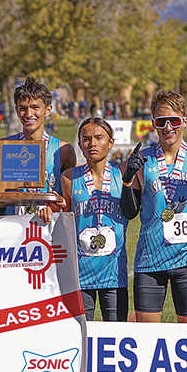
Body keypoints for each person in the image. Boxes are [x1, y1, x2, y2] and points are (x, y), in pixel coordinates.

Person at [120, 90, 187, 324]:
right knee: (147, 338)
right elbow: (129, 212)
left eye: (174, 121)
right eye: (161, 122)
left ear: (184, 122)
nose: (168, 128)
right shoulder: (143, 159)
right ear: (154, 124)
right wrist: (127, 180)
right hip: (150, 259)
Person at [61, 118, 129, 322]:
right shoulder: (68, 177)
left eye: (99, 138)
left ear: (110, 142)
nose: (92, 144)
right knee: (81, 332)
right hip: (81, 271)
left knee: (116, 331)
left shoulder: (123, 173)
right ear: (80, 145)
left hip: (114, 271)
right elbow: (63, 221)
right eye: (86, 139)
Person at [0, 76, 76, 223]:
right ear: (16, 110)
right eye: (23, 109)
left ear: (48, 110)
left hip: (49, 228)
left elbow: (69, 198)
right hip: (13, 227)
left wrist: (57, 204)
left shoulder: (63, 150)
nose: (29, 115)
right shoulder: (1, 147)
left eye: (35, 108)